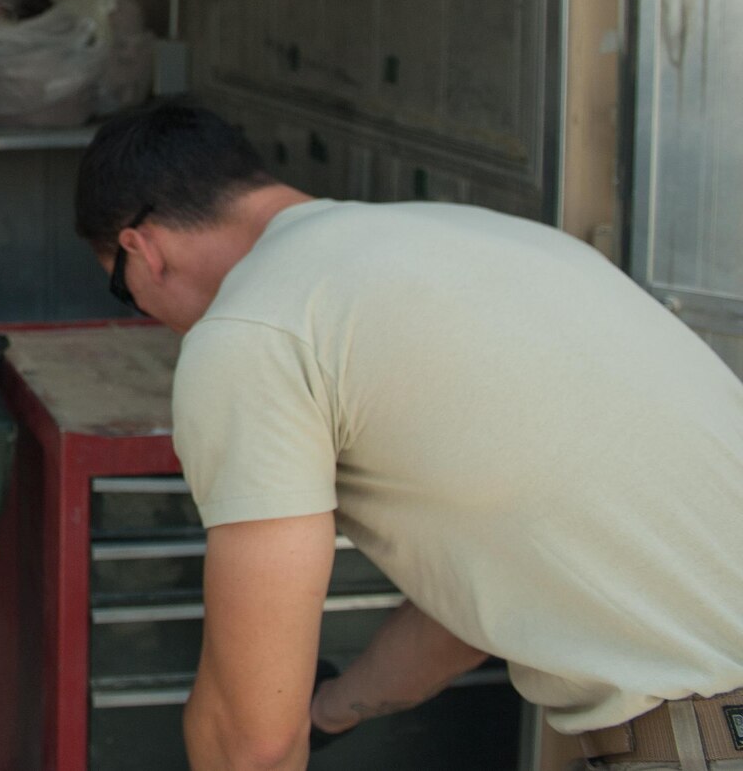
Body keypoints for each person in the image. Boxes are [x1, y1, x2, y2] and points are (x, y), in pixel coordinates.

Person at [74, 100, 743, 771]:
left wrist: (261, 734)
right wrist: (330, 708)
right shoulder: (487, 238)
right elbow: (477, 598)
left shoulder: (251, 332)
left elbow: (251, 742)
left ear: (144, 250)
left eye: (122, 291)